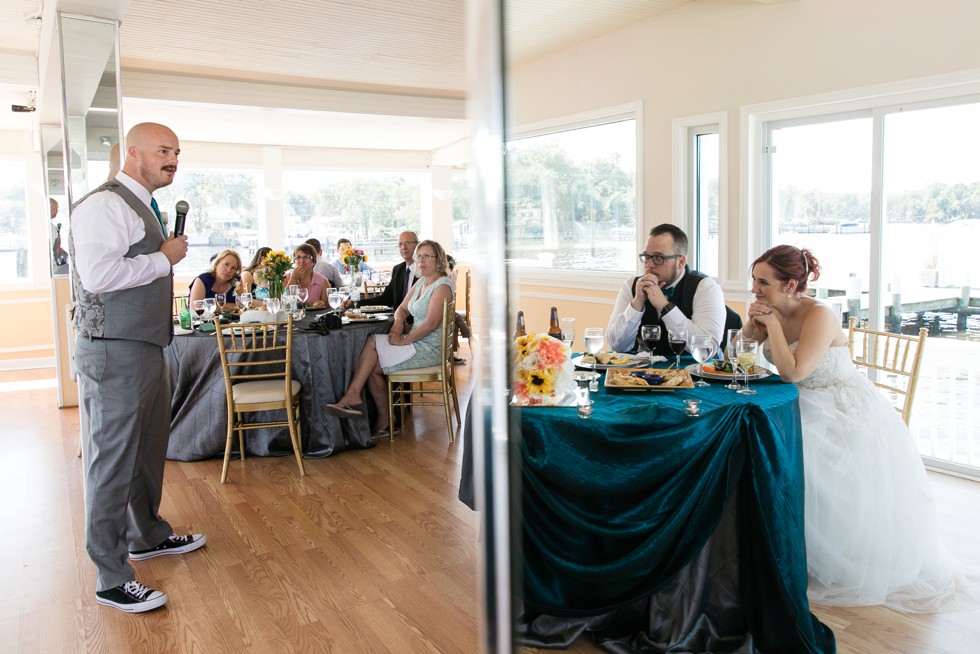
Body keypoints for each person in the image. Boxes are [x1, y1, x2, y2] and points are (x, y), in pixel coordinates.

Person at [744, 244, 969, 611]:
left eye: (762, 281)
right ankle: (777, 544)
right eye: (753, 279)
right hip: (796, 404)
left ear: (789, 285)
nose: (754, 288)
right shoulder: (767, 310)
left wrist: (771, 328)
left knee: (791, 454)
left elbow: (794, 372)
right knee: (761, 441)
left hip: (839, 409)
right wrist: (753, 326)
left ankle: (824, 555)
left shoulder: (819, 315)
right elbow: (738, 349)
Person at [68, 122, 206, 614]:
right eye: (163, 151)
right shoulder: (104, 204)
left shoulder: (143, 204)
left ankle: (146, 535)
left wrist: (159, 257)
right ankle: (110, 575)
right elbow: (100, 276)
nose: (173, 159)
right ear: (132, 154)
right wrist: (164, 258)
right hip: (113, 349)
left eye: (177, 151)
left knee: (146, 452)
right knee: (112, 463)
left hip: (145, 345)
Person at [323, 239, 454, 438]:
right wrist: (398, 323)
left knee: (373, 343)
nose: (421, 260)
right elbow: (401, 308)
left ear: (439, 260)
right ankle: (379, 415)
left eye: (427, 256)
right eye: (419, 256)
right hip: (415, 340)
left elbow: (431, 323)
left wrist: (403, 340)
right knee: (373, 362)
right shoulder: (422, 282)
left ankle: (359, 400)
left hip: (429, 349)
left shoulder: (442, 286)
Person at [606, 224, 725, 356]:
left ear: (680, 262)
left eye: (658, 258)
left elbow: (707, 349)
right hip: (643, 373)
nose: (649, 265)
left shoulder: (706, 288)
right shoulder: (631, 285)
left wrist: (665, 307)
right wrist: (637, 303)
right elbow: (617, 346)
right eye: (646, 257)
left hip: (693, 371)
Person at [374, 231, 420, 309]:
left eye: (407, 243)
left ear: (418, 245)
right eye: (400, 244)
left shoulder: (424, 270)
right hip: (398, 319)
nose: (403, 248)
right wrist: (357, 303)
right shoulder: (398, 270)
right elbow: (386, 299)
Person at [284, 242, 329, 307]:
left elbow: (327, 306)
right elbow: (284, 303)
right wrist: (293, 279)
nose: (302, 260)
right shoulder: (285, 278)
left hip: (314, 316)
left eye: (306, 257)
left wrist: (321, 303)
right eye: (298, 257)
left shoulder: (323, 281)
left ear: (313, 261)